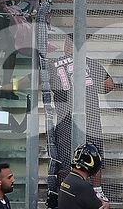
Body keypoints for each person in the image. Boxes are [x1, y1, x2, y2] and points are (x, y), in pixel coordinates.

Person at [48, 40, 114, 187]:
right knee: (93, 153)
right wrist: (93, 87)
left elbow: (37, 81)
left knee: (66, 157)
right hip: (90, 115)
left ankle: (66, 191)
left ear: (66, 48)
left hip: (66, 116)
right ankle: (97, 190)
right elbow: (109, 85)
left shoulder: (53, 64)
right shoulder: (89, 63)